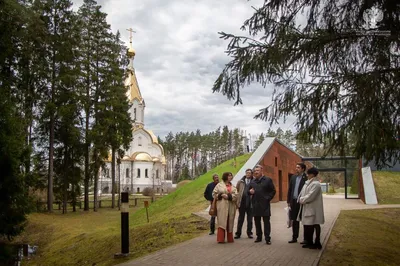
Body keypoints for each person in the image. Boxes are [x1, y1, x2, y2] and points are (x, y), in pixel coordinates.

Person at [297, 167, 325, 249]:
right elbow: (302, 193)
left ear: (312, 174)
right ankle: (310, 242)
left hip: (314, 208)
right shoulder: (307, 183)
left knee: (315, 224)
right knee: (309, 225)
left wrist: (301, 200)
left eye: (308, 174)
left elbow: (310, 196)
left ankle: (317, 242)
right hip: (308, 207)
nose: (307, 175)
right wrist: (300, 198)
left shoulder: (316, 184)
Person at [249, 165, 276, 245]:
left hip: (265, 205)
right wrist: (250, 192)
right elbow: (248, 191)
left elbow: (273, 191)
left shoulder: (268, 180)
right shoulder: (252, 181)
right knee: (257, 222)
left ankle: (267, 238)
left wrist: (267, 198)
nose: (256, 172)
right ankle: (259, 237)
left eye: (258, 170)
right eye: (255, 171)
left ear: (262, 171)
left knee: (266, 222)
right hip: (256, 204)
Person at [213, 172, 238, 243]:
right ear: (225, 177)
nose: (230, 177)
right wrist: (220, 195)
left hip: (231, 206)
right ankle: (220, 239)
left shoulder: (233, 186)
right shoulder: (219, 185)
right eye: (229, 176)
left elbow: (236, 195)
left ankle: (230, 238)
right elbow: (214, 194)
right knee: (222, 221)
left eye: (231, 176)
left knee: (230, 221)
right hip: (222, 206)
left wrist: (229, 196)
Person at [287, 163, 307, 244]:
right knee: (294, 220)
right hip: (293, 201)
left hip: (302, 202)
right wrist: (288, 201)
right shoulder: (293, 177)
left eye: (298, 167)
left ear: (302, 169)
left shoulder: (306, 178)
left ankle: (306, 239)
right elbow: (290, 189)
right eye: (296, 167)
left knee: (304, 220)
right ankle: (294, 237)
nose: (296, 169)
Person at [234, 168, 254, 239]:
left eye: (249, 173)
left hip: (250, 203)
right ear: (245, 173)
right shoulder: (240, 182)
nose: (248, 174)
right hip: (242, 202)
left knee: (250, 220)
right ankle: (238, 233)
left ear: (251, 174)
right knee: (240, 219)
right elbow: (236, 191)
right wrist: (237, 201)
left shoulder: (254, 181)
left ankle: (249, 233)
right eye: (247, 173)